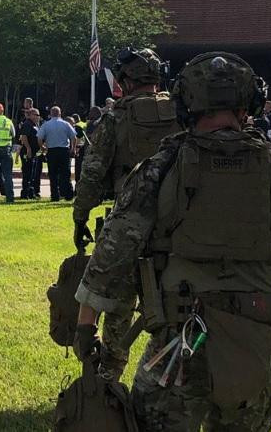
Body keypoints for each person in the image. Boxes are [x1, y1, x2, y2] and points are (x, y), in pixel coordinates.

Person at [74, 52, 271, 431]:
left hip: (179, 343)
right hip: (256, 340)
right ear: (251, 104)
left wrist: (86, 328)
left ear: (185, 103)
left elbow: (112, 257)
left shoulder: (159, 169)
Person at [71, 47, 181, 379]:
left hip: (128, 221)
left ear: (124, 80)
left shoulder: (116, 118)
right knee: (176, 303)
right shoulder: (183, 113)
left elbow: (92, 174)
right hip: (179, 224)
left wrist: (80, 216)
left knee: (118, 303)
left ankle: (109, 377)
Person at [36, 106, 77, 201]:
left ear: (50, 113)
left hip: (52, 151)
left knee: (53, 174)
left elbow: (39, 138)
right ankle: (68, 194)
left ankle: (55, 195)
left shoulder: (46, 125)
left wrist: (42, 147)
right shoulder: (65, 124)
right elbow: (73, 137)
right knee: (65, 173)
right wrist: (73, 148)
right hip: (63, 151)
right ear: (60, 113)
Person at [18, 108, 42, 199]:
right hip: (28, 152)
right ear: (31, 115)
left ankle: (31, 193)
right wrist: (28, 149)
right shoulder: (27, 124)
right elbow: (24, 137)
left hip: (35, 152)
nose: (38, 117)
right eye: (36, 115)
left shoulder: (35, 124)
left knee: (32, 173)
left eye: (38, 115)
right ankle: (25, 193)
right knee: (27, 173)